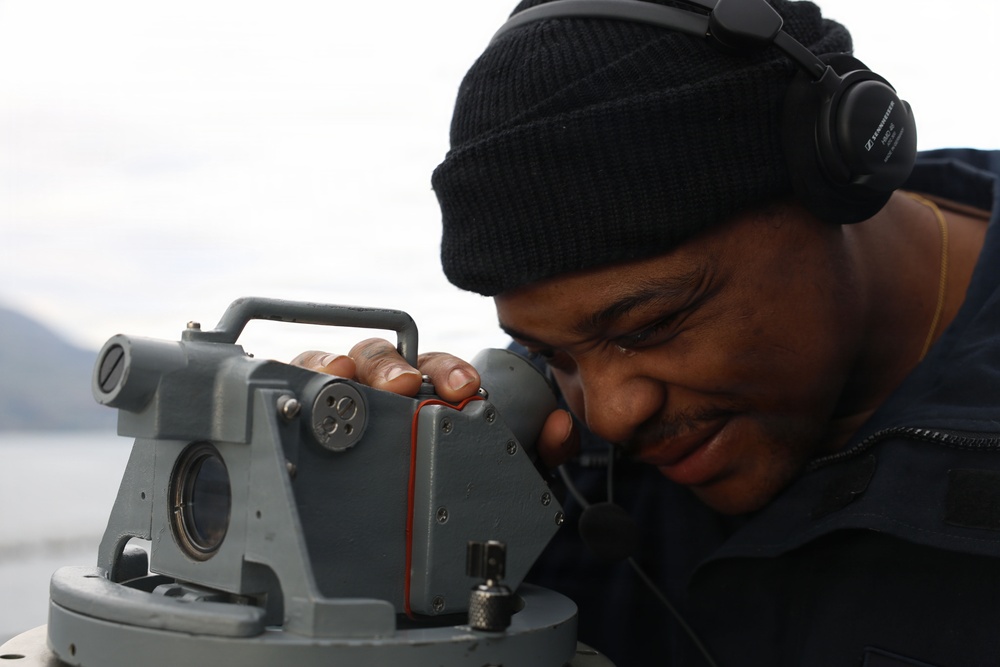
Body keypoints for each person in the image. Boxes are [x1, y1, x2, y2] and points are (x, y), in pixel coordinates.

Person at [295, 0, 1000, 664]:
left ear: (837, 183)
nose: (610, 411)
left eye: (650, 326)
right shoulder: (554, 455)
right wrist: (328, 480)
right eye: (553, 354)